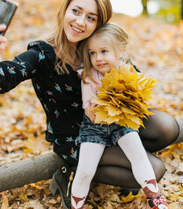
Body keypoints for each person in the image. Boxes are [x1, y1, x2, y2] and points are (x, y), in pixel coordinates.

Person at [0, 0, 179, 209]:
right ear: (65, 9)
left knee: (167, 127)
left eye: (91, 17)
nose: (80, 22)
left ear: (99, 24)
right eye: (76, 11)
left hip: (114, 121)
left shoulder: (98, 48)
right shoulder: (42, 55)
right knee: (156, 169)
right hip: (76, 136)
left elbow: (133, 78)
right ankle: (72, 171)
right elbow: (2, 78)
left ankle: (127, 157)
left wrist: (116, 67)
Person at [71, 23, 170, 209]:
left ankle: (155, 199)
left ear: (120, 50)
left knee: (139, 156)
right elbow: (90, 112)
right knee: (85, 170)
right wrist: (96, 107)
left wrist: (134, 104)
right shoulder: (89, 76)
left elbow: (140, 99)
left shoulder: (127, 72)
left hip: (123, 122)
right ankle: (77, 205)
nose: (98, 58)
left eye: (104, 51)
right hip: (95, 127)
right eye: (93, 53)